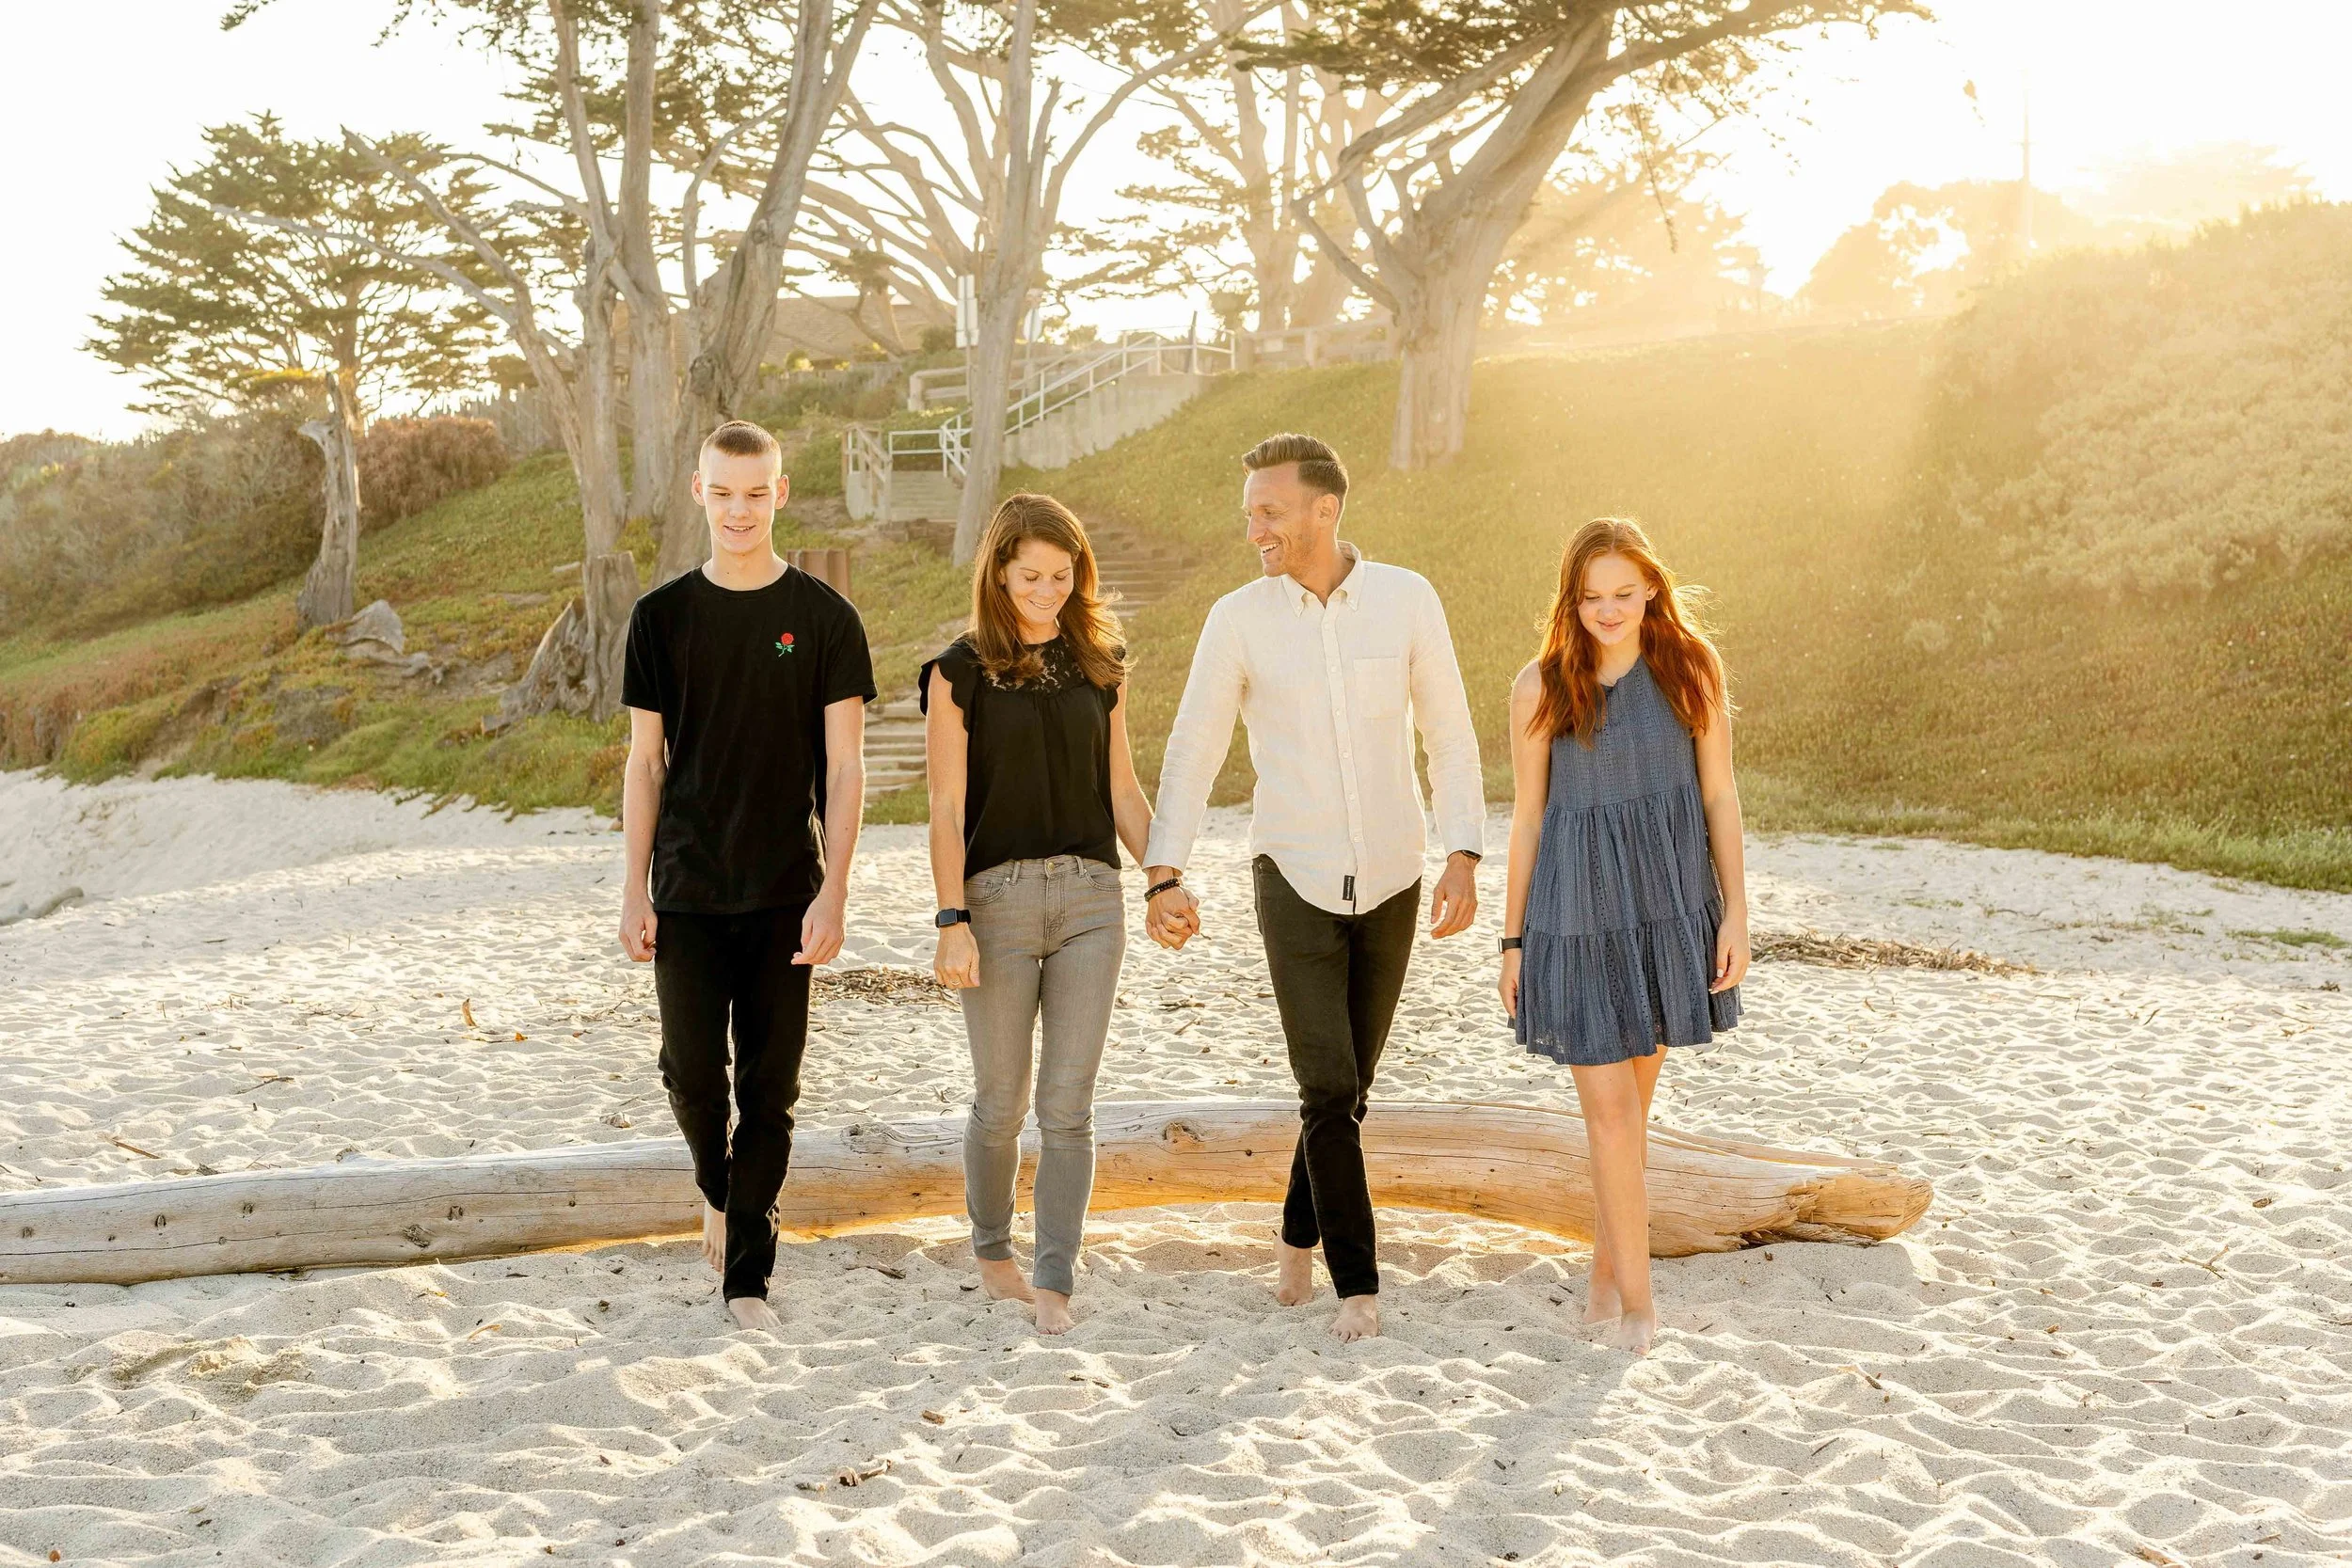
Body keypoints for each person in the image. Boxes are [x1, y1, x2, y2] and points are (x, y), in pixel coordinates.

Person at [1144, 433, 1484, 1344]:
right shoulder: (1237, 618)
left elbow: (1449, 733)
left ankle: (1294, 1240)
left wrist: (1463, 851)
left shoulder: (1407, 599)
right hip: (1290, 873)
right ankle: (1356, 1285)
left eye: (1270, 511)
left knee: (1348, 1089)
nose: (1253, 527)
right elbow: (1193, 747)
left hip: (1395, 873)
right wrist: (1164, 871)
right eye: (1249, 511)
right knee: (1328, 1084)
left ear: (1323, 509)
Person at [616, 419, 876, 1334]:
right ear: (699, 491)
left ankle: (747, 1280)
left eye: (756, 492)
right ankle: (720, 1192)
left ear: (780, 492)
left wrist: (835, 889)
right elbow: (645, 763)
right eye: (723, 492)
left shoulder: (825, 617)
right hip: (686, 888)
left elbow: (845, 767)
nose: (739, 509)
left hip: (785, 893)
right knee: (691, 1075)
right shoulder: (659, 618)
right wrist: (633, 887)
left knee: (770, 1091)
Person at [1497, 517, 1749, 1355]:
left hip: (1667, 910)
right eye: (1590, 596)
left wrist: (1737, 912)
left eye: (1622, 593)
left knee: (1631, 1118)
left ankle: (1606, 1286)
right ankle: (1640, 1307)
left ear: (1650, 590)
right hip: (1574, 919)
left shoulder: (1691, 667)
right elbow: (1528, 820)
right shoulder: (1540, 687)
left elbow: (1720, 796)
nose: (1607, 610)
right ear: (1570, 600)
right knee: (1610, 1118)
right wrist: (1511, 943)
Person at [922, 494, 1161, 1336]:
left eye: (1063, 576)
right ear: (998, 571)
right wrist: (951, 918)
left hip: (1093, 899)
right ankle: (993, 1250)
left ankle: (1055, 1277)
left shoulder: (1102, 661)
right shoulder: (958, 671)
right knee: (1001, 1099)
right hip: (996, 904)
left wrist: (1164, 878)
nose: (1048, 591)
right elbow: (946, 807)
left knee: (1068, 1103)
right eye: (1031, 576)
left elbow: (1123, 789)